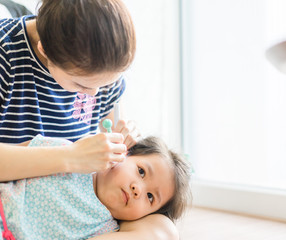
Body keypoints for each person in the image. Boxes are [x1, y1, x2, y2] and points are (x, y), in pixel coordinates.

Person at [0, 0, 180, 239]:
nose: (95, 94)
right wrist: (71, 157)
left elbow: (116, 138)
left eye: (107, 83)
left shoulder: (102, 64)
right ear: (44, 50)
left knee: (163, 229)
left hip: (72, 205)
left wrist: (125, 133)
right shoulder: (6, 56)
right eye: (82, 85)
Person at [0, 134, 192, 240]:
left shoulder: (108, 230)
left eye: (150, 197)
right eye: (141, 171)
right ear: (123, 152)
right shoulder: (65, 151)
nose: (138, 190)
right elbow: (11, 159)